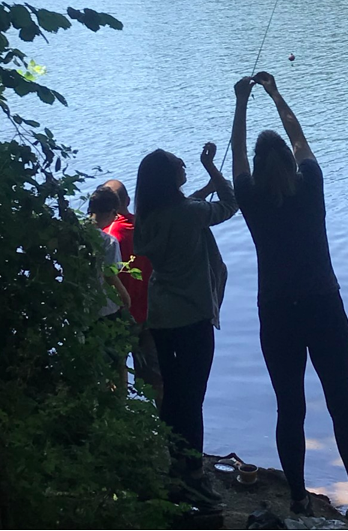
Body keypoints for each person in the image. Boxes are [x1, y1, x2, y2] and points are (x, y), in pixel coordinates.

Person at [231, 72, 348, 529]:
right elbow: (299, 137)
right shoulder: (310, 184)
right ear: (290, 165)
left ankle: (296, 501)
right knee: (343, 403)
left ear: (256, 164)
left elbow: (236, 154)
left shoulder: (249, 197)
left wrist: (240, 103)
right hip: (324, 308)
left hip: (277, 314)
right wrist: (275, 94)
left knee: (289, 407)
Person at [133, 143, 238, 504]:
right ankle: (194, 474)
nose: (182, 163)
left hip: (161, 316)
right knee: (193, 398)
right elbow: (230, 202)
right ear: (168, 178)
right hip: (192, 316)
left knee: (175, 393)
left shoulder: (147, 215)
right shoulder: (189, 213)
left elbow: (183, 209)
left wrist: (202, 188)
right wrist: (210, 167)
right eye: (177, 163)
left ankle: (175, 465)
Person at [102, 179, 163, 410]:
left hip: (119, 316)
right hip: (149, 315)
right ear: (127, 201)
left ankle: (121, 425)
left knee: (116, 374)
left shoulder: (106, 238)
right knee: (156, 380)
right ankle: (169, 435)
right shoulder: (145, 227)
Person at [88, 186, 131, 318]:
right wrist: (125, 298)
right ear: (109, 212)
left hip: (83, 306)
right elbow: (111, 275)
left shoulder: (74, 234)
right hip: (105, 308)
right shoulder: (108, 241)